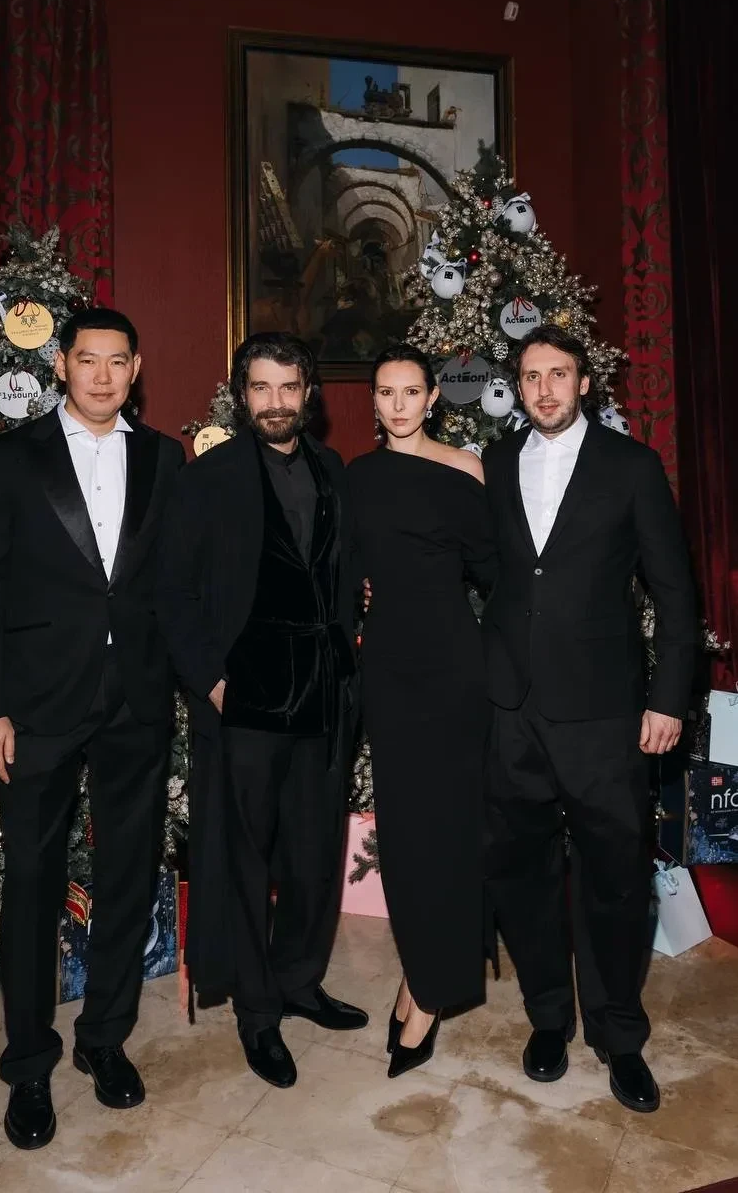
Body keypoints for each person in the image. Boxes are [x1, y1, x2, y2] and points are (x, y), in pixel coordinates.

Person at [0, 308, 185, 1150]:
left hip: (135, 700)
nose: (101, 376)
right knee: (31, 883)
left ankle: (105, 1039)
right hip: (35, 706)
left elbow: (174, 578)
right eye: (87, 360)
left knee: (128, 876)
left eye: (117, 362)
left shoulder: (163, 458)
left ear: (136, 369)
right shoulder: (11, 459)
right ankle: (28, 1065)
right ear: (61, 365)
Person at [481, 324, 697, 1114]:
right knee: (522, 874)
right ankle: (548, 1017)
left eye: (558, 374)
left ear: (582, 383)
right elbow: (478, 567)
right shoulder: (494, 462)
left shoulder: (630, 466)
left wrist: (666, 698)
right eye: (530, 376)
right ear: (518, 386)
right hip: (511, 711)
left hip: (605, 715)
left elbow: (674, 592)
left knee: (614, 879)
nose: (543, 389)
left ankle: (618, 1035)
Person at [160, 332, 368, 1089]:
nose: (275, 403)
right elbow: (172, 591)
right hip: (245, 694)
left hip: (323, 690)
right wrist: (211, 681)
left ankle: (299, 981)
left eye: (288, 388)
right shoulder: (207, 478)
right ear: (240, 395)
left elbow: (342, 571)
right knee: (244, 859)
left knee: (315, 850)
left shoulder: (331, 468)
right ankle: (256, 1011)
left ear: (308, 393)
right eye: (260, 388)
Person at [348, 343, 496, 1078]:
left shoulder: (465, 471)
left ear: (433, 396)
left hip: (452, 667)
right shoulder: (357, 477)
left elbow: (498, 575)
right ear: (373, 400)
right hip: (388, 669)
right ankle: (420, 971)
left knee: (450, 827)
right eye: (386, 392)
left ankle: (433, 992)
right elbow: (342, 568)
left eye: (411, 391)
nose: (399, 404)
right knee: (405, 832)